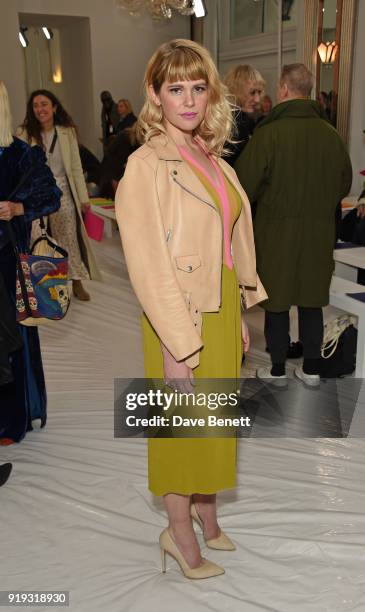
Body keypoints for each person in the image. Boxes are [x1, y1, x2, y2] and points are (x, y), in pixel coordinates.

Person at [116, 39, 266, 579]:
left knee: (213, 422)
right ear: (155, 94)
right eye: (175, 88)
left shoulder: (208, 155)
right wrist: (177, 343)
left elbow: (226, 245)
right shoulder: (145, 166)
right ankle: (178, 533)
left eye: (197, 87)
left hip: (218, 307)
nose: (188, 99)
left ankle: (207, 512)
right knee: (181, 433)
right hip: (178, 316)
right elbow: (150, 268)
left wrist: (239, 314)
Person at [235, 63, 352, 386]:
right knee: (312, 299)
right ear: (310, 91)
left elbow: (244, 184)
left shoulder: (269, 134)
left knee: (277, 301)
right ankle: (312, 369)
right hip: (317, 232)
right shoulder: (331, 135)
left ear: (284, 89)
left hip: (275, 232)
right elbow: (344, 184)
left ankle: (276, 371)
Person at [0, 80, 61, 443]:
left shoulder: (21, 154)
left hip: (8, 262)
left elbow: (51, 196)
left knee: (11, 339)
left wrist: (17, 207)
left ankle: (12, 417)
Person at [18, 90, 101, 301]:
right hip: (36, 194)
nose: (40, 109)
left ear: (54, 107)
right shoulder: (23, 134)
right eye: (36, 105)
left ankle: (76, 281)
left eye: (44, 104)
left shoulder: (66, 132)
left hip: (63, 189)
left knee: (67, 238)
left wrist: (83, 198)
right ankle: (46, 285)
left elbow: (75, 167)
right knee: (38, 237)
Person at [222, 64, 265, 166]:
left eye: (259, 92)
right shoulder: (235, 125)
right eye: (252, 93)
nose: (258, 99)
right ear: (237, 91)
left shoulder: (249, 122)